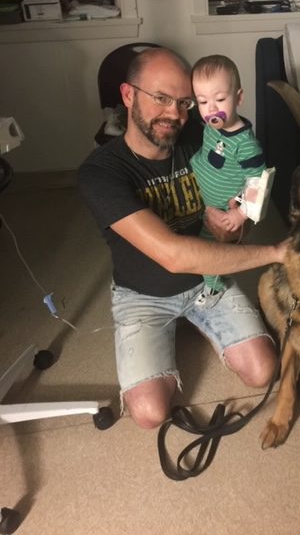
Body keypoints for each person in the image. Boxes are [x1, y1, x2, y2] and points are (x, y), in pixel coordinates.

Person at [78, 47, 286, 430]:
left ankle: (201, 321)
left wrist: (235, 228)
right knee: (149, 413)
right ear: (128, 95)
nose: (175, 114)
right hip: (142, 295)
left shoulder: (203, 136)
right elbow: (174, 256)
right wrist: (276, 251)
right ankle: (170, 330)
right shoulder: (101, 173)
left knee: (263, 371)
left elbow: (247, 198)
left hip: (207, 281)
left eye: (184, 102)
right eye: (161, 98)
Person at [190, 54, 266, 294]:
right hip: (198, 190)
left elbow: (258, 182)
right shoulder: (210, 125)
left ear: (239, 97)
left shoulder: (246, 145)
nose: (211, 109)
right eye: (202, 101)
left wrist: (241, 213)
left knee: (209, 250)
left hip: (220, 207)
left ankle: (214, 287)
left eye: (220, 99)